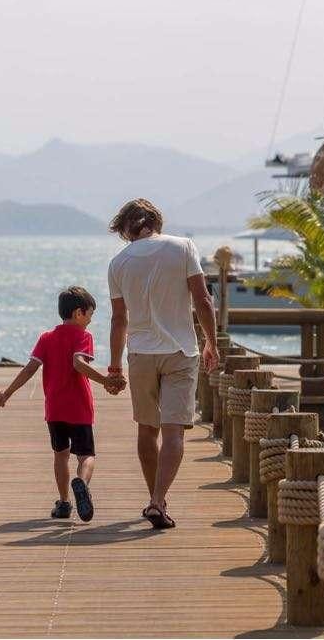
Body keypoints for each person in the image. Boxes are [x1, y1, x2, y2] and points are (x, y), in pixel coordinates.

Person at [106, 199, 218, 529]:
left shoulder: (118, 263)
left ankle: (156, 499)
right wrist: (212, 342)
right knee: (173, 432)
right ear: (156, 222)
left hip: (140, 354)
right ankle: (157, 500)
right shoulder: (183, 247)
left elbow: (118, 319)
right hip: (181, 351)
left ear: (126, 230)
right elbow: (202, 300)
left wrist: (114, 367)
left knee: (146, 429)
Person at [0, 286, 115, 522]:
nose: (90, 321)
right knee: (86, 455)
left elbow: (30, 368)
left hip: (55, 408)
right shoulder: (83, 336)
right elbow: (78, 363)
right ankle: (81, 483)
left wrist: (7, 393)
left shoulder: (46, 337)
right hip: (79, 408)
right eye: (90, 315)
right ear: (78, 313)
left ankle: (64, 503)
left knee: (60, 455)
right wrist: (105, 381)